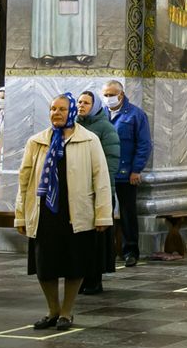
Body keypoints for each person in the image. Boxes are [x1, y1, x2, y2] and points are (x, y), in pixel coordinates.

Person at [15, 93, 112, 331]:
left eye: (61, 109)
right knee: (44, 265)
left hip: (75, 211)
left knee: (74, 263)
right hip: (45, 211)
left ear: (71, 113)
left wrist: (103, 214)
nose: (56, 113)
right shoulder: (37, 141)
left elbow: (101, 178)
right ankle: (52, 310)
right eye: (53, 109)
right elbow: (24, 180)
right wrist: (20, 214)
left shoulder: (88, 140)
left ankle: (67, 312)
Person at [102, 79, 152, 267]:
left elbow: (144, 144)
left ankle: (130, 251)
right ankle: (107, 251)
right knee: (104, 212)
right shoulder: (101, 115)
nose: (108, 98)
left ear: (121, 95)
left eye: (111, 95)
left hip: (126, 172)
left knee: (127, 213)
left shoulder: (135, 115)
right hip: (105, 172)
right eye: (105, 95)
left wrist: (136, 169)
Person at [75, 91, 120, 295]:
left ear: (94, 106)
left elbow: (111, 160)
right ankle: (80, 278)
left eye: (86, 103)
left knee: (97, 239)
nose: (81, 106)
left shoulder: (105, 128)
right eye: (79, 102)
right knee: (81, 238)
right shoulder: (74, 125)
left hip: (99, 190)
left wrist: (103, 187)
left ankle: (94, 279)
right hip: (79, 191)